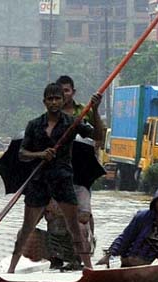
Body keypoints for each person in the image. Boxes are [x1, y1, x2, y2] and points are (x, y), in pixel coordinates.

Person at [7, 83, 100, 273]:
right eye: (50, 99)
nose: (54, 102)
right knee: (27, 228)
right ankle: (10, 270)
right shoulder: (34, 125)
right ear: (44, 102)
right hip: (39, 180)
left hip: (62, 180)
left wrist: (96, 111)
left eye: (57, 98)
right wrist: (40, 154)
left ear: (63, 100)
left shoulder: (72, 123)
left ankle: (88, 269)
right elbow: (23, 153)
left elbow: (98, 135)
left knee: (74, 227)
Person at [38, 75, 106, 268]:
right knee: (53, 215)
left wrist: (95, 109)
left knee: (82, 217)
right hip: (56, 174)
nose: (60, 97)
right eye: (55, 95)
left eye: (65, 92)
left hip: (81, 172)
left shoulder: (80, 113)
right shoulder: (45, 122)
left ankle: (83, 256)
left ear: (72, 93)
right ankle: (57, 258)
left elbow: (98, 134)